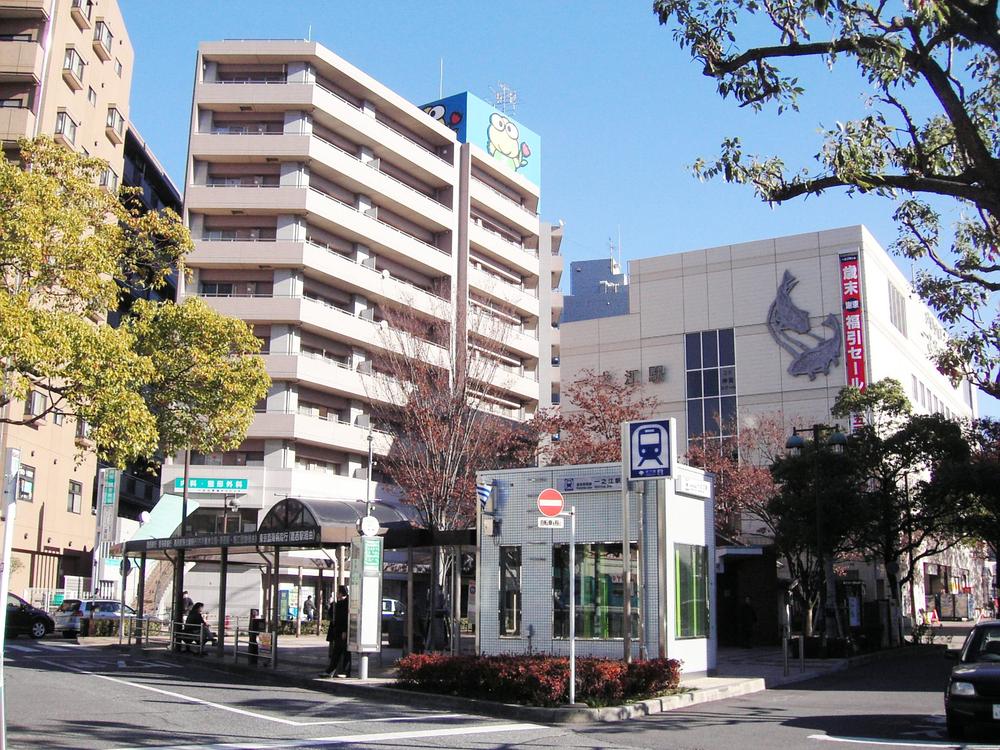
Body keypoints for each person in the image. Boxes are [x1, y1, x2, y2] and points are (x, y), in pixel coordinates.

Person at [324, 585, 350, 677]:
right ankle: (333, 670)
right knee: (338, 651)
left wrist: (344, 631)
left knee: (343, 651)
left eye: (338, 592)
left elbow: (344, 618)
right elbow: (331, 615)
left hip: (342, 631)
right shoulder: (337, 604)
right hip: (338, 631)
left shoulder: (345, 603)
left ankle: (342, 671)